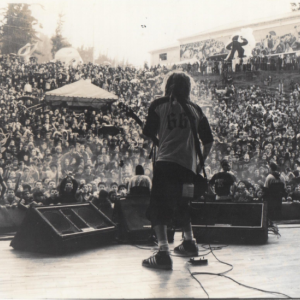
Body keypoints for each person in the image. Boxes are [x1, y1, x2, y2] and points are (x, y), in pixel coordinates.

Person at [141, 72, 214, 270]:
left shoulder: (159, 104)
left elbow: (147, 133)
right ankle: (190, 243)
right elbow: (208, 141)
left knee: (159, 206)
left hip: (165, 164)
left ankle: (163, 252)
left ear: (168, 86)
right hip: (187, 168)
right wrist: (198, 165)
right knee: (184, 203)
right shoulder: (196, 109)